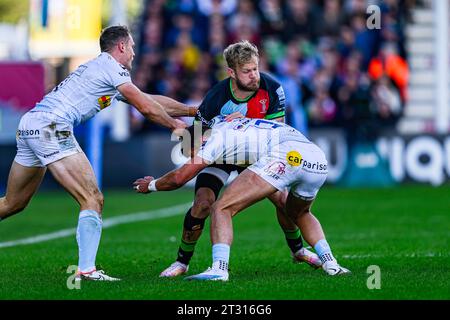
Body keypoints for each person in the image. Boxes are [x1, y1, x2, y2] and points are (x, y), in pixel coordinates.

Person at [0, 25, 196, 281]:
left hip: (32, 124)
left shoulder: (105, 70)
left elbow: (149, 98)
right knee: (92, 198)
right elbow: (146, 108)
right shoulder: (112, 67)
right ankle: (87, 270)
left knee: (12, 203)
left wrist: (192, 111)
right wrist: (175, 125)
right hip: (51, 126)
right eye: (133, 47)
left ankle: (87, 269)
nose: (135, 53)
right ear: (122, 47)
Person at [159, 40, 321, 278]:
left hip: (258, 155)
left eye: (255, 68)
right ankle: (182, 261)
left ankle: (297, 250)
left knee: (282, 200)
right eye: (247, 71)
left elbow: (277, 135)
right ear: (231, 72)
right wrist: (220, 127)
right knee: (203, 203)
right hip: (222, 156)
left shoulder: (273, 88)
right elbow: (189, 147)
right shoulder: (215, 97)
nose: (254, 75)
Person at [133, 116, 350, 280]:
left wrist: (151, 185)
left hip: (286, 156)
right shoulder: (228, 123)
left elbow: (180, 177)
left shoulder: (212, 139)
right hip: (315, 157)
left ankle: (219, 269)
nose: (191, 156)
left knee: (222, 208)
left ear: (197, 140)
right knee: (300, 212)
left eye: (190, 151)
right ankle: (331, 263)